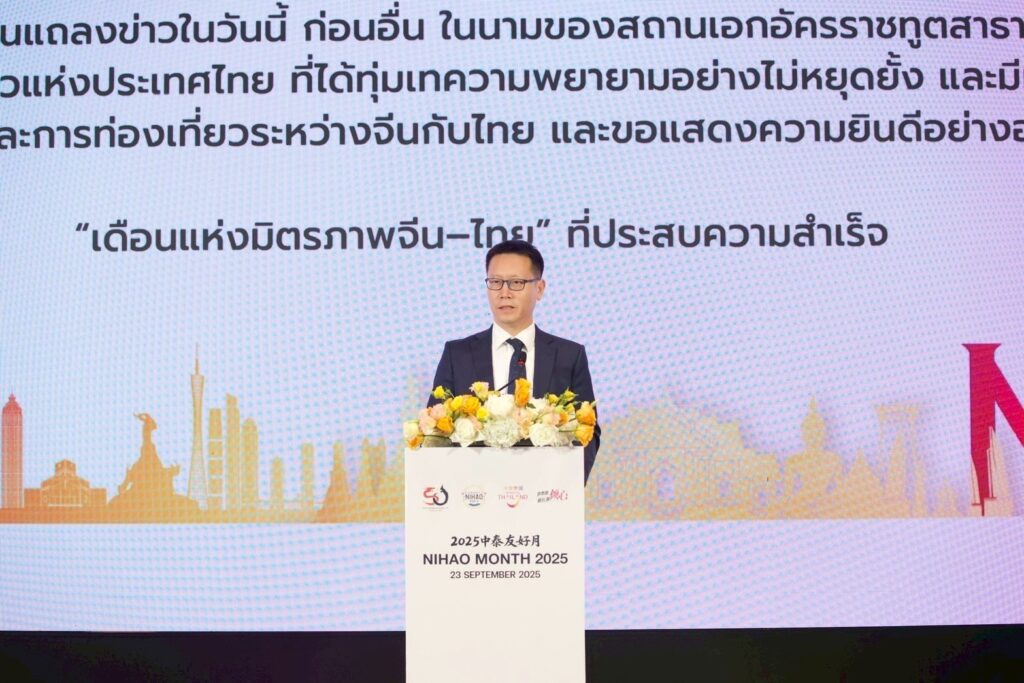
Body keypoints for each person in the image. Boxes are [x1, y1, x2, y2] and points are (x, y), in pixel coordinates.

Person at [428, 239, 600, 484]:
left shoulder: (569, 355)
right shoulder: (458, 354)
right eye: (495, 282)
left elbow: (588, 432)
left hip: (546, 494)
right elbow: (435, 430)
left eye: (516, 283)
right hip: (473, 494)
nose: (504, 293)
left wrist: (565, 489)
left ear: (539, 289)